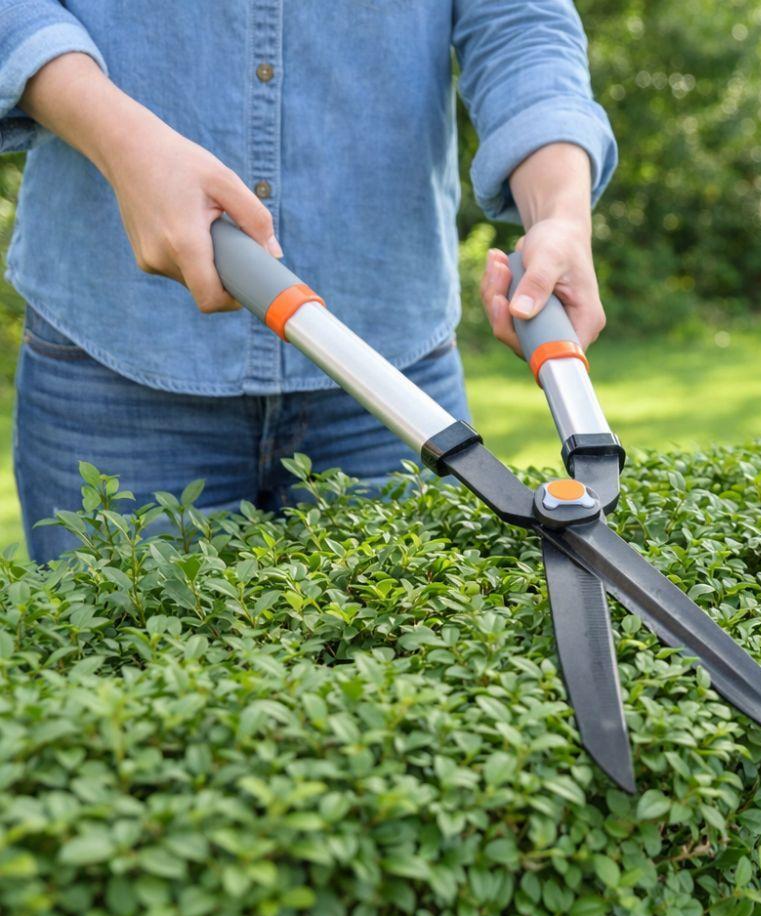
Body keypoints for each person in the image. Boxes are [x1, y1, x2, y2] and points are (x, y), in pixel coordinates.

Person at [0, 2, 617, 562]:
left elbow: (519, 23)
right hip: (114, 361)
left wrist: (560, 212)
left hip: (394, 378)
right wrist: (123, 144)